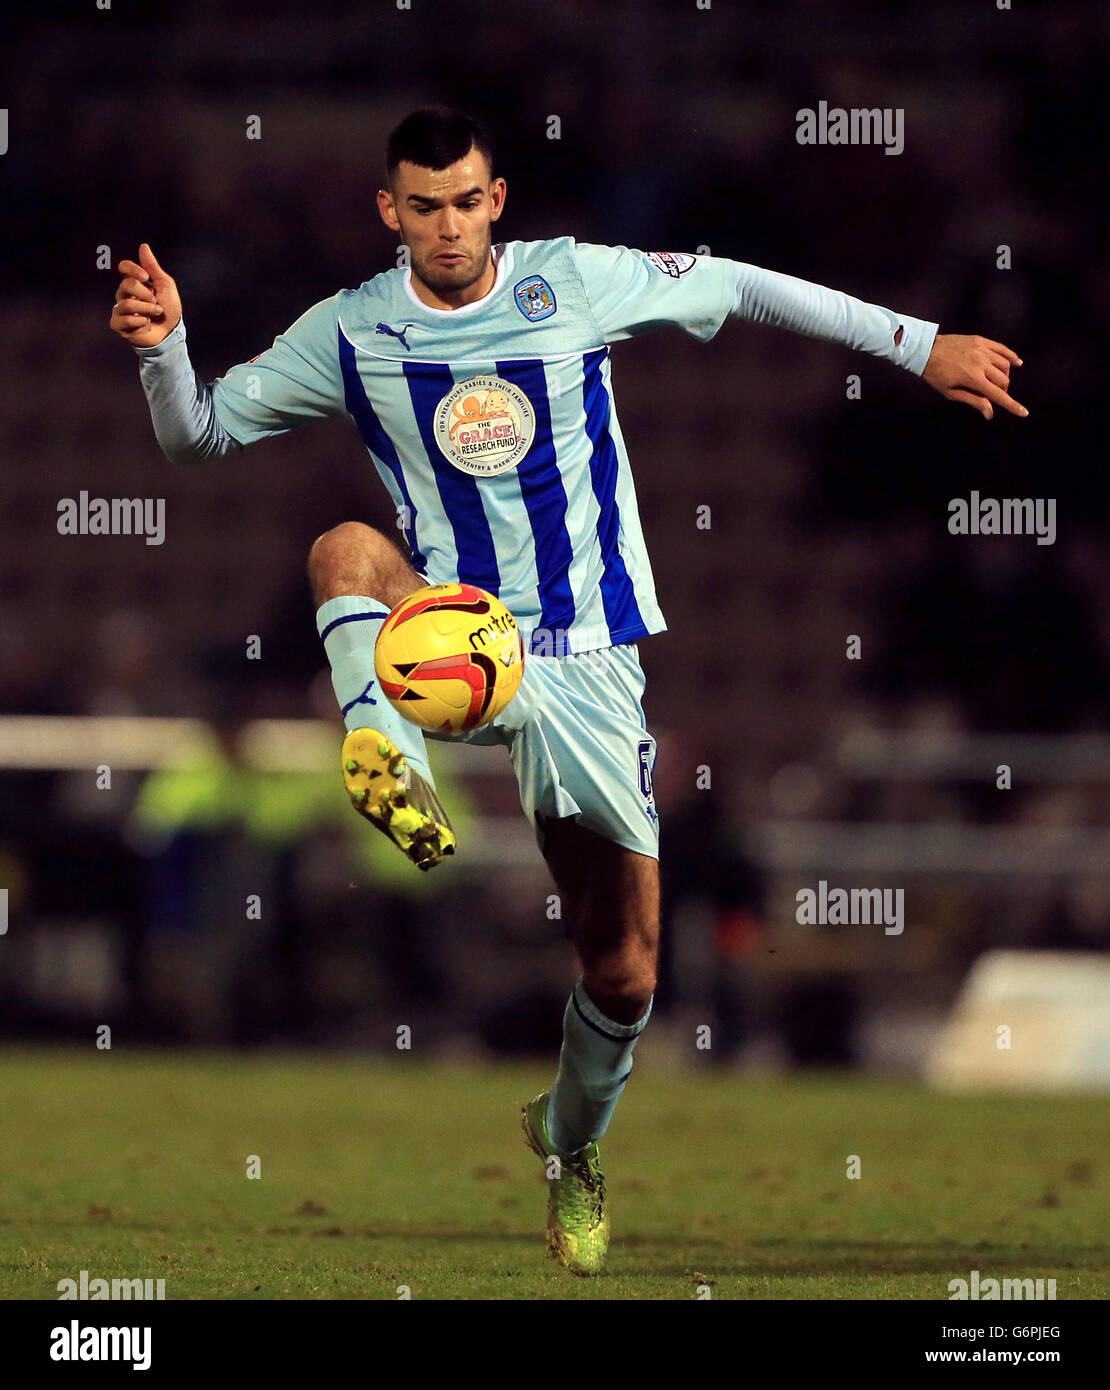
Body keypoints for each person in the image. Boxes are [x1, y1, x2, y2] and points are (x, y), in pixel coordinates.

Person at [111, 105, 1027, 1276]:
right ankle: (384, 749)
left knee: (626, 971)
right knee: (343, 547)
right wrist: (162, 347)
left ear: (499, 200)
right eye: (423, 206)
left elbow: (743, 285)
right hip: (456, 646)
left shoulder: (575, 285)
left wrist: (919, 343)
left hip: (590, 663)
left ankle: (568, 1142)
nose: (447, 226)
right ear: (388, 212)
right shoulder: (348, 329)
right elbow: (196, 438)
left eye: (466, 202)